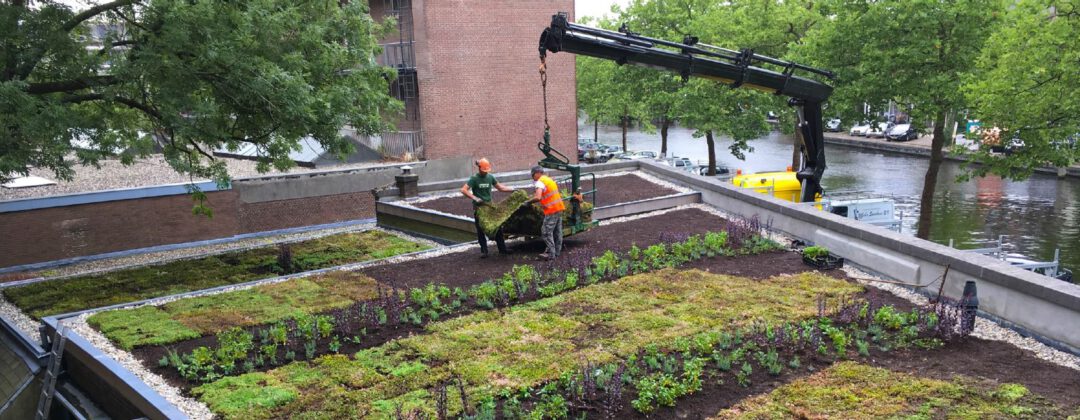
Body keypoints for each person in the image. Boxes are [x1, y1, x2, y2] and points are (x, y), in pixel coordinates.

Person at [461, 158, 514, 258]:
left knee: (497, 227)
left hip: (489, 206)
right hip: (479, 208)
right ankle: (484, 251)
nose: (485, 173)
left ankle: (502, 249)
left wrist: (512, 189)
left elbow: (500, 188)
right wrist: (475, 198)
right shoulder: (474, 179)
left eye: (487, 171)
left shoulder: (490, 177)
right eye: (484, 171)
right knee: (480, 230)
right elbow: (463, 190)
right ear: (479, 168)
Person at [527, 166, 566, 260]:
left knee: (545, 232)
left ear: (537, 173)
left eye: (533, 175)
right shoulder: (548, 180)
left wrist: (528, 202)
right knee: (557, 231)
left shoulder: (540, 182)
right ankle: (557, 252)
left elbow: (538, 197)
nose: (533, 178)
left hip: (551, 210)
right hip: (559, 208)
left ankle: (550, 254)